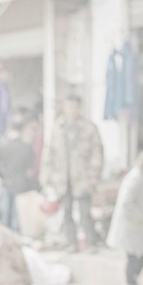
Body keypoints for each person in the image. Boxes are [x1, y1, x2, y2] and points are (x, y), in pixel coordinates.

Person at [40, 93, 104, 251]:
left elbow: (97, 153)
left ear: (79, 107)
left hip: (83, 177)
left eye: (74, 106)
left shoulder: (89, 128)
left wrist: (94, 175)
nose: (71, 110)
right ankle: (72, 243)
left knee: (85, 213)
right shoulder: (58, 128)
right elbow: (49, 152)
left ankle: (91, 243)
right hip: (62, 178)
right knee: (66, 212)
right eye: (68, 106)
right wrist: (47, 175)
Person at [107, 149, 143, 285]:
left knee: (142, 253)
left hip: (138, 224)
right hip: (131, 224)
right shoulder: (136, 177)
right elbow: (127, 203)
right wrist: (136, 220)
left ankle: (133, 284)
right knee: (134, 256)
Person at [0, 114, 39, 231]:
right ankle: (16, 239)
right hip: (21, 184)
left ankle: (4, 237)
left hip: (7, 183)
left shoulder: (3, 146)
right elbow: (30, 170)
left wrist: (3, 176)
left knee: (5, 213)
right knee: (17, 215)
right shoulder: (26, 147)